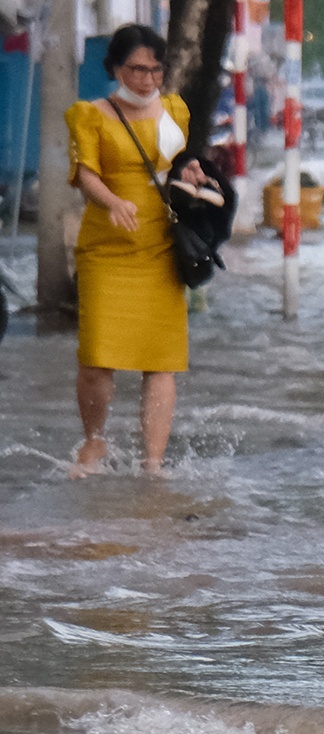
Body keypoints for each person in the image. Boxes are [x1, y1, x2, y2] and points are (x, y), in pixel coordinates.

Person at [63, 25, 219, 478]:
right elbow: (85, 175)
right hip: (106, 249)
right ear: (115, 68)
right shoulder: (89, 115)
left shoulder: (174, 111)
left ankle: (153, 463)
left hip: (160, 246)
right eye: (137, 69)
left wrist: (191, 174)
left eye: (155, 70)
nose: (147, 79)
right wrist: (112, 201)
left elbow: (177, 164)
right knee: (97, 356)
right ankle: (94, 441)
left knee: (160, 360)